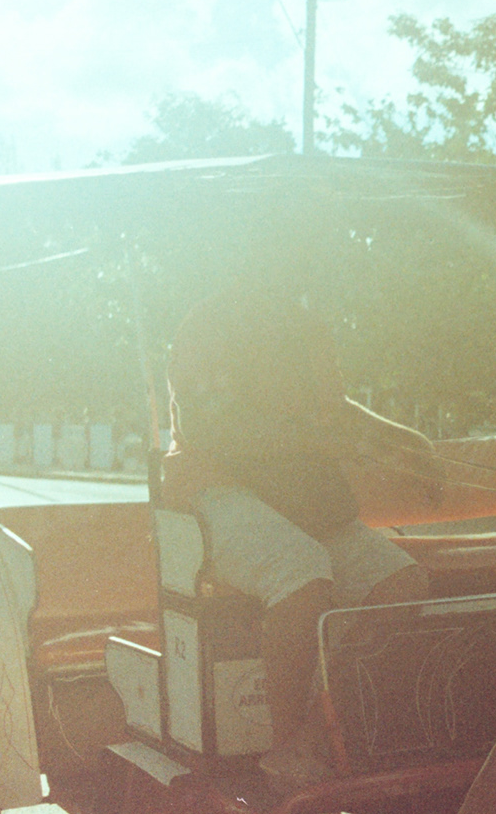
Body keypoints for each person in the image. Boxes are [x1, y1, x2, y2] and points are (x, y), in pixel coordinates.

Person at [160, 286, 443, 787]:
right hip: (216, 493)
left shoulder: (301, 319)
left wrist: (410, 443)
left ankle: (322, 730)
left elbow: (335, 406)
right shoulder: (208, 324)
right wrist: (319, 441)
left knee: (400, 583)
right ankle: (285, 749)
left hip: (302, 503)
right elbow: (211, 428)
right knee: (301, 570)